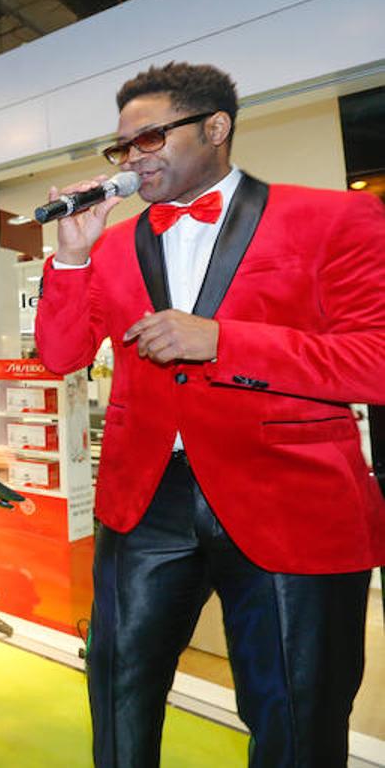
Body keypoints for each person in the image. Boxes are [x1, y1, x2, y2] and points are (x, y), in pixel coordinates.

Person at [34, 62, 385, 767]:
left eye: (151, 137)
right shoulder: (109, 246)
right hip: (143, 504)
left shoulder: (334, 217)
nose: (134, 158)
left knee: (296, 717)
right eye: (124, 146)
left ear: (216, 128)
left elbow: (375, 358)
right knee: (119, 700)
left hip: (291, 499)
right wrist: (70, 259)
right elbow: (61, 355)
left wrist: (225, 341)